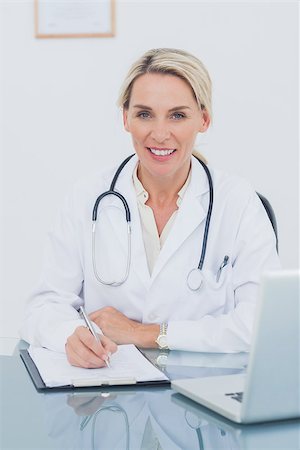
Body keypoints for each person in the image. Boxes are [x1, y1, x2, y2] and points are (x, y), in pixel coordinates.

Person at [20, 48, 280, 368]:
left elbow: (260, 325)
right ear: (125, 118)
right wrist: (71, 335)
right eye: (144, 114)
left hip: (204, 395)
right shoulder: (87, 197)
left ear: (204, 119)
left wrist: (145, 333)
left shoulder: (239, 203)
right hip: (108, 396)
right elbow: (45, 305)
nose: (159, 133)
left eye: (177, 115)